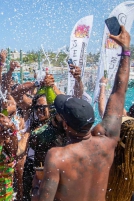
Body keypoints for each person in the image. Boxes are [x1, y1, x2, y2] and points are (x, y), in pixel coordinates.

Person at [32, 25, 131, 201]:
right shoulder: (107, 142)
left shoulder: (57, 156)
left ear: (66, 124)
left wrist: (36, 187)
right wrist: (125, 50)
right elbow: (118, 92)